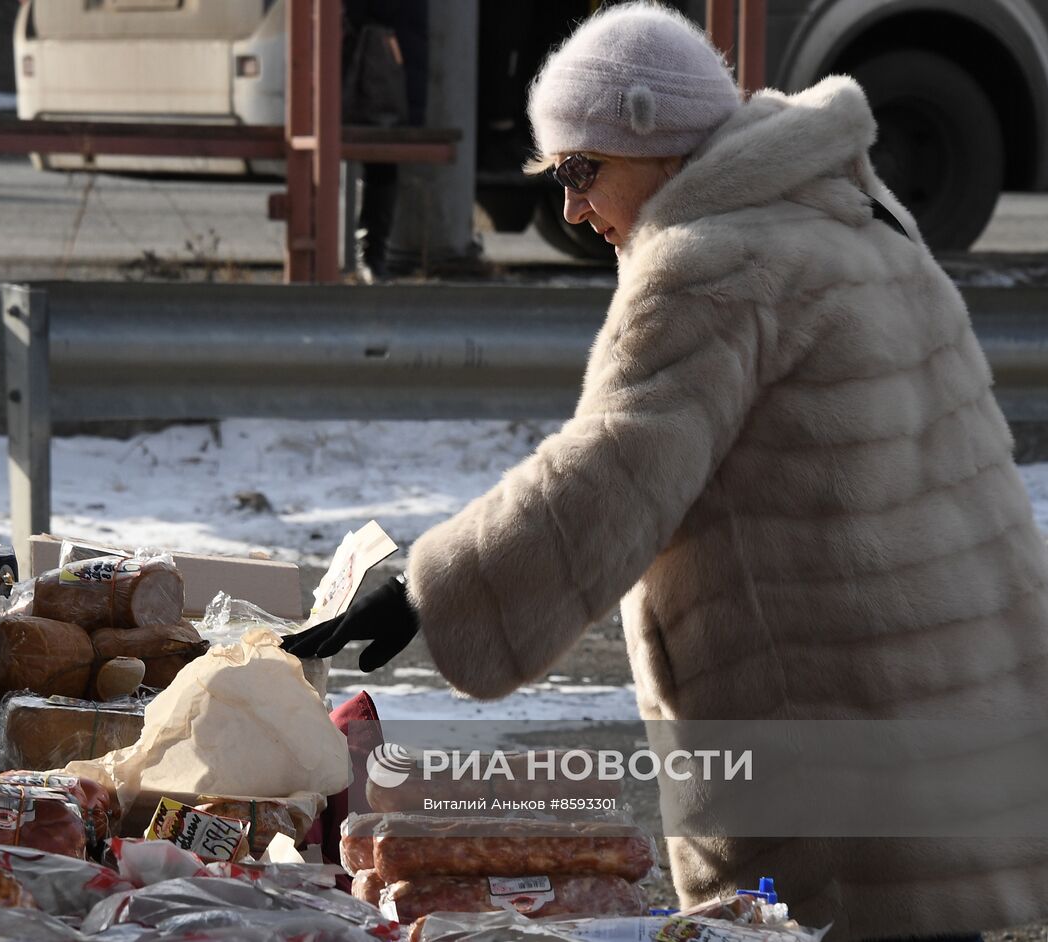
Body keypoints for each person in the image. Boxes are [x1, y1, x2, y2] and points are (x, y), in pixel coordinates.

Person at [283, 2, 1048, 939]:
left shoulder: (708, 264)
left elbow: (608, 473)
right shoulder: (861, 221)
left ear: (661, 141)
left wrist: (426, 589)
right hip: (940, 735)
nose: (569, 207)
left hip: (820, 758)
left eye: (580, 169)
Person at [342, 0, 429, 283]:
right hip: (388, 65)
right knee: (382, 157)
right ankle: (371, 255)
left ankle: (369, 255)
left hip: (374, 62)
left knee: (379, 154)